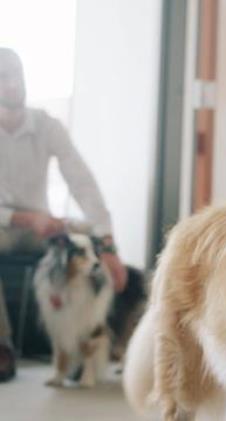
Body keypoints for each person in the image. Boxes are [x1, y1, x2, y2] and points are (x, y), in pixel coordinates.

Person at [0, 47, 127, 382]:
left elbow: (82, 184)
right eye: (4, 77)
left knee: (88, 231)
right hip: (5, 224)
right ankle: (2, 344)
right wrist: (26, 219)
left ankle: (92, 336)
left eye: (17, 74)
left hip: (43, 224)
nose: (13, 84)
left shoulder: (46, 125)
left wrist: (108, 245)